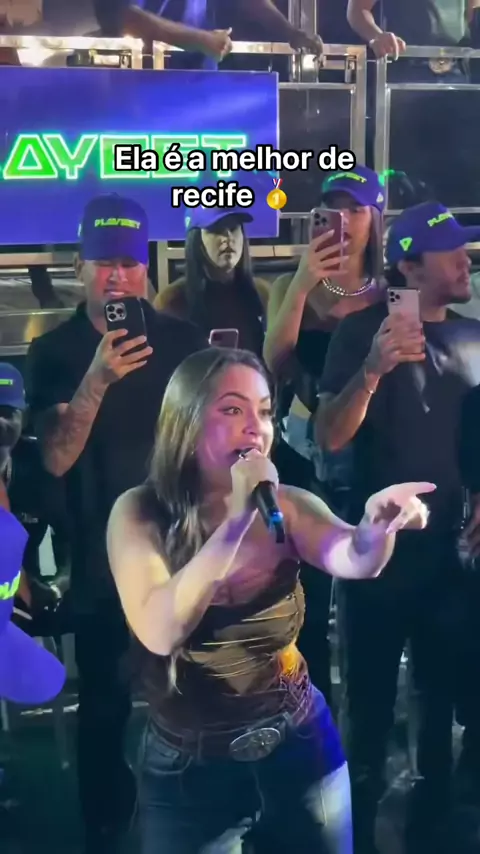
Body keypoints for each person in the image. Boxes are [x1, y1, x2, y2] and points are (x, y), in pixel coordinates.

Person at [106, 345, 433, 854]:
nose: (254, 428)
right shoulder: (139, 513)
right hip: (189, 764)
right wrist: (237, 521)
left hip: (297, 739)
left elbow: (354, 557)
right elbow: (159, 630)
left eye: (262, 412)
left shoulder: (287, 505)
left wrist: (377, 526)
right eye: (232, 409)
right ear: (185, 421)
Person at [24, 194, 208, 854]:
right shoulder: (53, 352)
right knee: (104, 700)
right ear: (79, 268)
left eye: (129, 264)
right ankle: (104, 822)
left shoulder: (183, 343)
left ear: (146, 270)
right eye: (103, 263)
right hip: (100, 558)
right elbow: (53, 457)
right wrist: (96, 381)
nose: (117, 278)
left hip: (182, 549)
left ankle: (192, 811)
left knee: (190, 693)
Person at [314, 201, 480, 853]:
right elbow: (329, 435)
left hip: (450, 561)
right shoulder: (360, 334)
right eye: (450, 251)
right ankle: (353, 835)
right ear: (409, 265)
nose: (465, 260)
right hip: (376, 559)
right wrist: (374, 368)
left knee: (438, 712)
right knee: (369, 713)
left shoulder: (474, 338)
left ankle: (430, 833)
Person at [263, 165, 385, 703]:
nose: (344, 221)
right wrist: (303, 282)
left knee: (368, 599)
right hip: (300, 454)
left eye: (355, 210)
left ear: (375, 219)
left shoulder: (391, 291)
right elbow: (274, 360)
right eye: (332, 210)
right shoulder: (293, 285)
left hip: (370, 454)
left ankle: (367, 717)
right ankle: (311, 715)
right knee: (305, 599)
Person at [154, 207, 269, 356]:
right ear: (196, 240)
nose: (227, 237)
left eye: (233, 228)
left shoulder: (263, 294)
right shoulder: (171, 301)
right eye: (216, 229)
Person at [94, 0, 322, 70]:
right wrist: (201, 40)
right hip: (136, 81)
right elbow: (123, 16)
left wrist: (291, 32)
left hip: (201, 79)